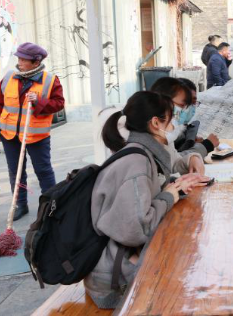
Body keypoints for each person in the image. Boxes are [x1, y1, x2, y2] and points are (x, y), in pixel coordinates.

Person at [85, 91, 210, 309]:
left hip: (120, 262)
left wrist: (176, 186)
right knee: (192, 276)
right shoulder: (137, 163)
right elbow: (136, 230)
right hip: (114, 279)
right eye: (170, 121)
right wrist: (169, 195)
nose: (174, 126)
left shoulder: (143, 151)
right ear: (155, 123)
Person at [0, 42, 65, 221]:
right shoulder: (9, 77)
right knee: (15, 172)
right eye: (19, 58)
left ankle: (50, 206)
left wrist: (39, 101)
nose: (19, 62)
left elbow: (59, 104)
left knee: (43, 171)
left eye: (24, 60)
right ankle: (20, 205)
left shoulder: (50, 80)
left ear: (36, 62)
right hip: (9, 135)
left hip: (36, 135)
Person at [151, 77, 219, 159]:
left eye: (193, 102)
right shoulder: (157, 131)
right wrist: (206, 146)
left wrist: (188, 141)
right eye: (183, 104)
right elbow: (173, 161)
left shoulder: (172, 128)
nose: (187, 108)